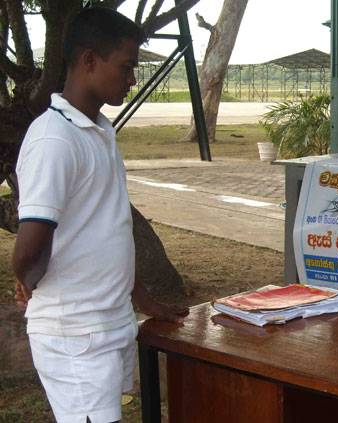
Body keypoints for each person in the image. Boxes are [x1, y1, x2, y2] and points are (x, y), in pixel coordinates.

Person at [12, 7, 189, 423]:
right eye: (126, 67)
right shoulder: (55, 139)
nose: (132, 79)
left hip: (107, 324)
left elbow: (104, 232)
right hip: (76, 335)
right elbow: (29, 247)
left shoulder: (99, 129)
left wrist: (143, 300)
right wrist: (28, 280)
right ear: (89, 59)